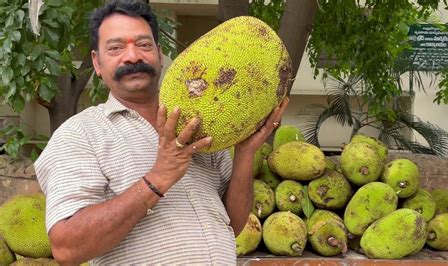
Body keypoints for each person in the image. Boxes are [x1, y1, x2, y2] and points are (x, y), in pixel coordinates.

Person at [34, 0, 289, 265]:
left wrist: (245, 154)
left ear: (159, 53)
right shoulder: (79, 134)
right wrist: (159, 177)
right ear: (97, 63)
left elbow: (232, 224)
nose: (132, 56)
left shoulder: (202, 127)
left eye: (144, 45)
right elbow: (67, 248)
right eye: (116, 48)